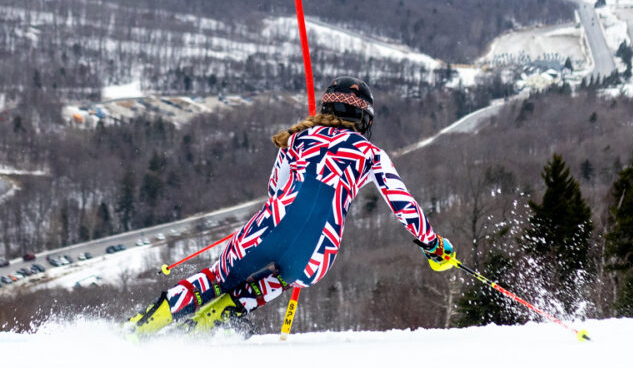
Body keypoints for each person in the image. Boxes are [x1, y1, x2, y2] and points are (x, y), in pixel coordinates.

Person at [125, 76, 455, 336]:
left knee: (216, 278)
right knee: (281, 278)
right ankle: (211, 326)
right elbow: (403, 203)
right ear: (365, 119)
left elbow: (275, 189)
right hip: (315, 256)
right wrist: (432, 246)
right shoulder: (371, 154)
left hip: (267, 228)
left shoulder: (297, 139)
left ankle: (138, 332)